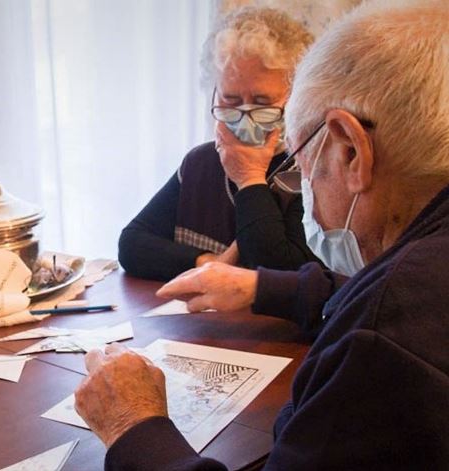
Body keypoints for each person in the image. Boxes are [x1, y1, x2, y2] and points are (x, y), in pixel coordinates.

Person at [76, 1, 449, 469]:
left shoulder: (384, 337)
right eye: (231, 100)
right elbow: (133, 243)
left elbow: (316, 279)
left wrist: (134, 425)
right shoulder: (417, 271)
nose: (303, 183)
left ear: (351, 150)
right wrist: (257, 287)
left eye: (302, 160)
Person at [118, 7, 319, 281]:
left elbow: (277, 272)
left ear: (297, 98)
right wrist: (208, 263)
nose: (245, 115)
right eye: (231, 100)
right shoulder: (200, 163)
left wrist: (249, 179)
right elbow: (133, 245)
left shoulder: (309, 177)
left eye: (262, 102)